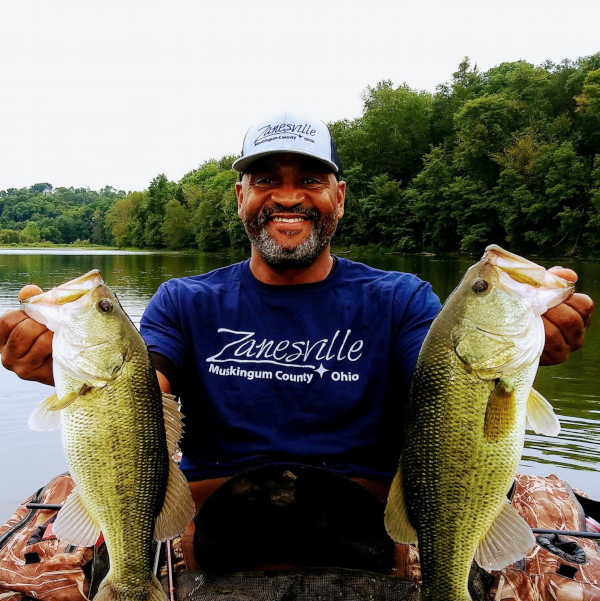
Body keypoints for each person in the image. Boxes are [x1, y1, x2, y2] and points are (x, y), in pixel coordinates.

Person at [0, 112, 595, 524]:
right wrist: (66, 367)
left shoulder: (401, 297)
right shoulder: (184, 299)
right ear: (241, 198)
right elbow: (143, 385)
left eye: (310, 179)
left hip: (373, 530)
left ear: (339, 196)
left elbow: (445, 381)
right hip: (208, 527)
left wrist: (520, 350)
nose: (288, 197)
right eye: (266, 181)